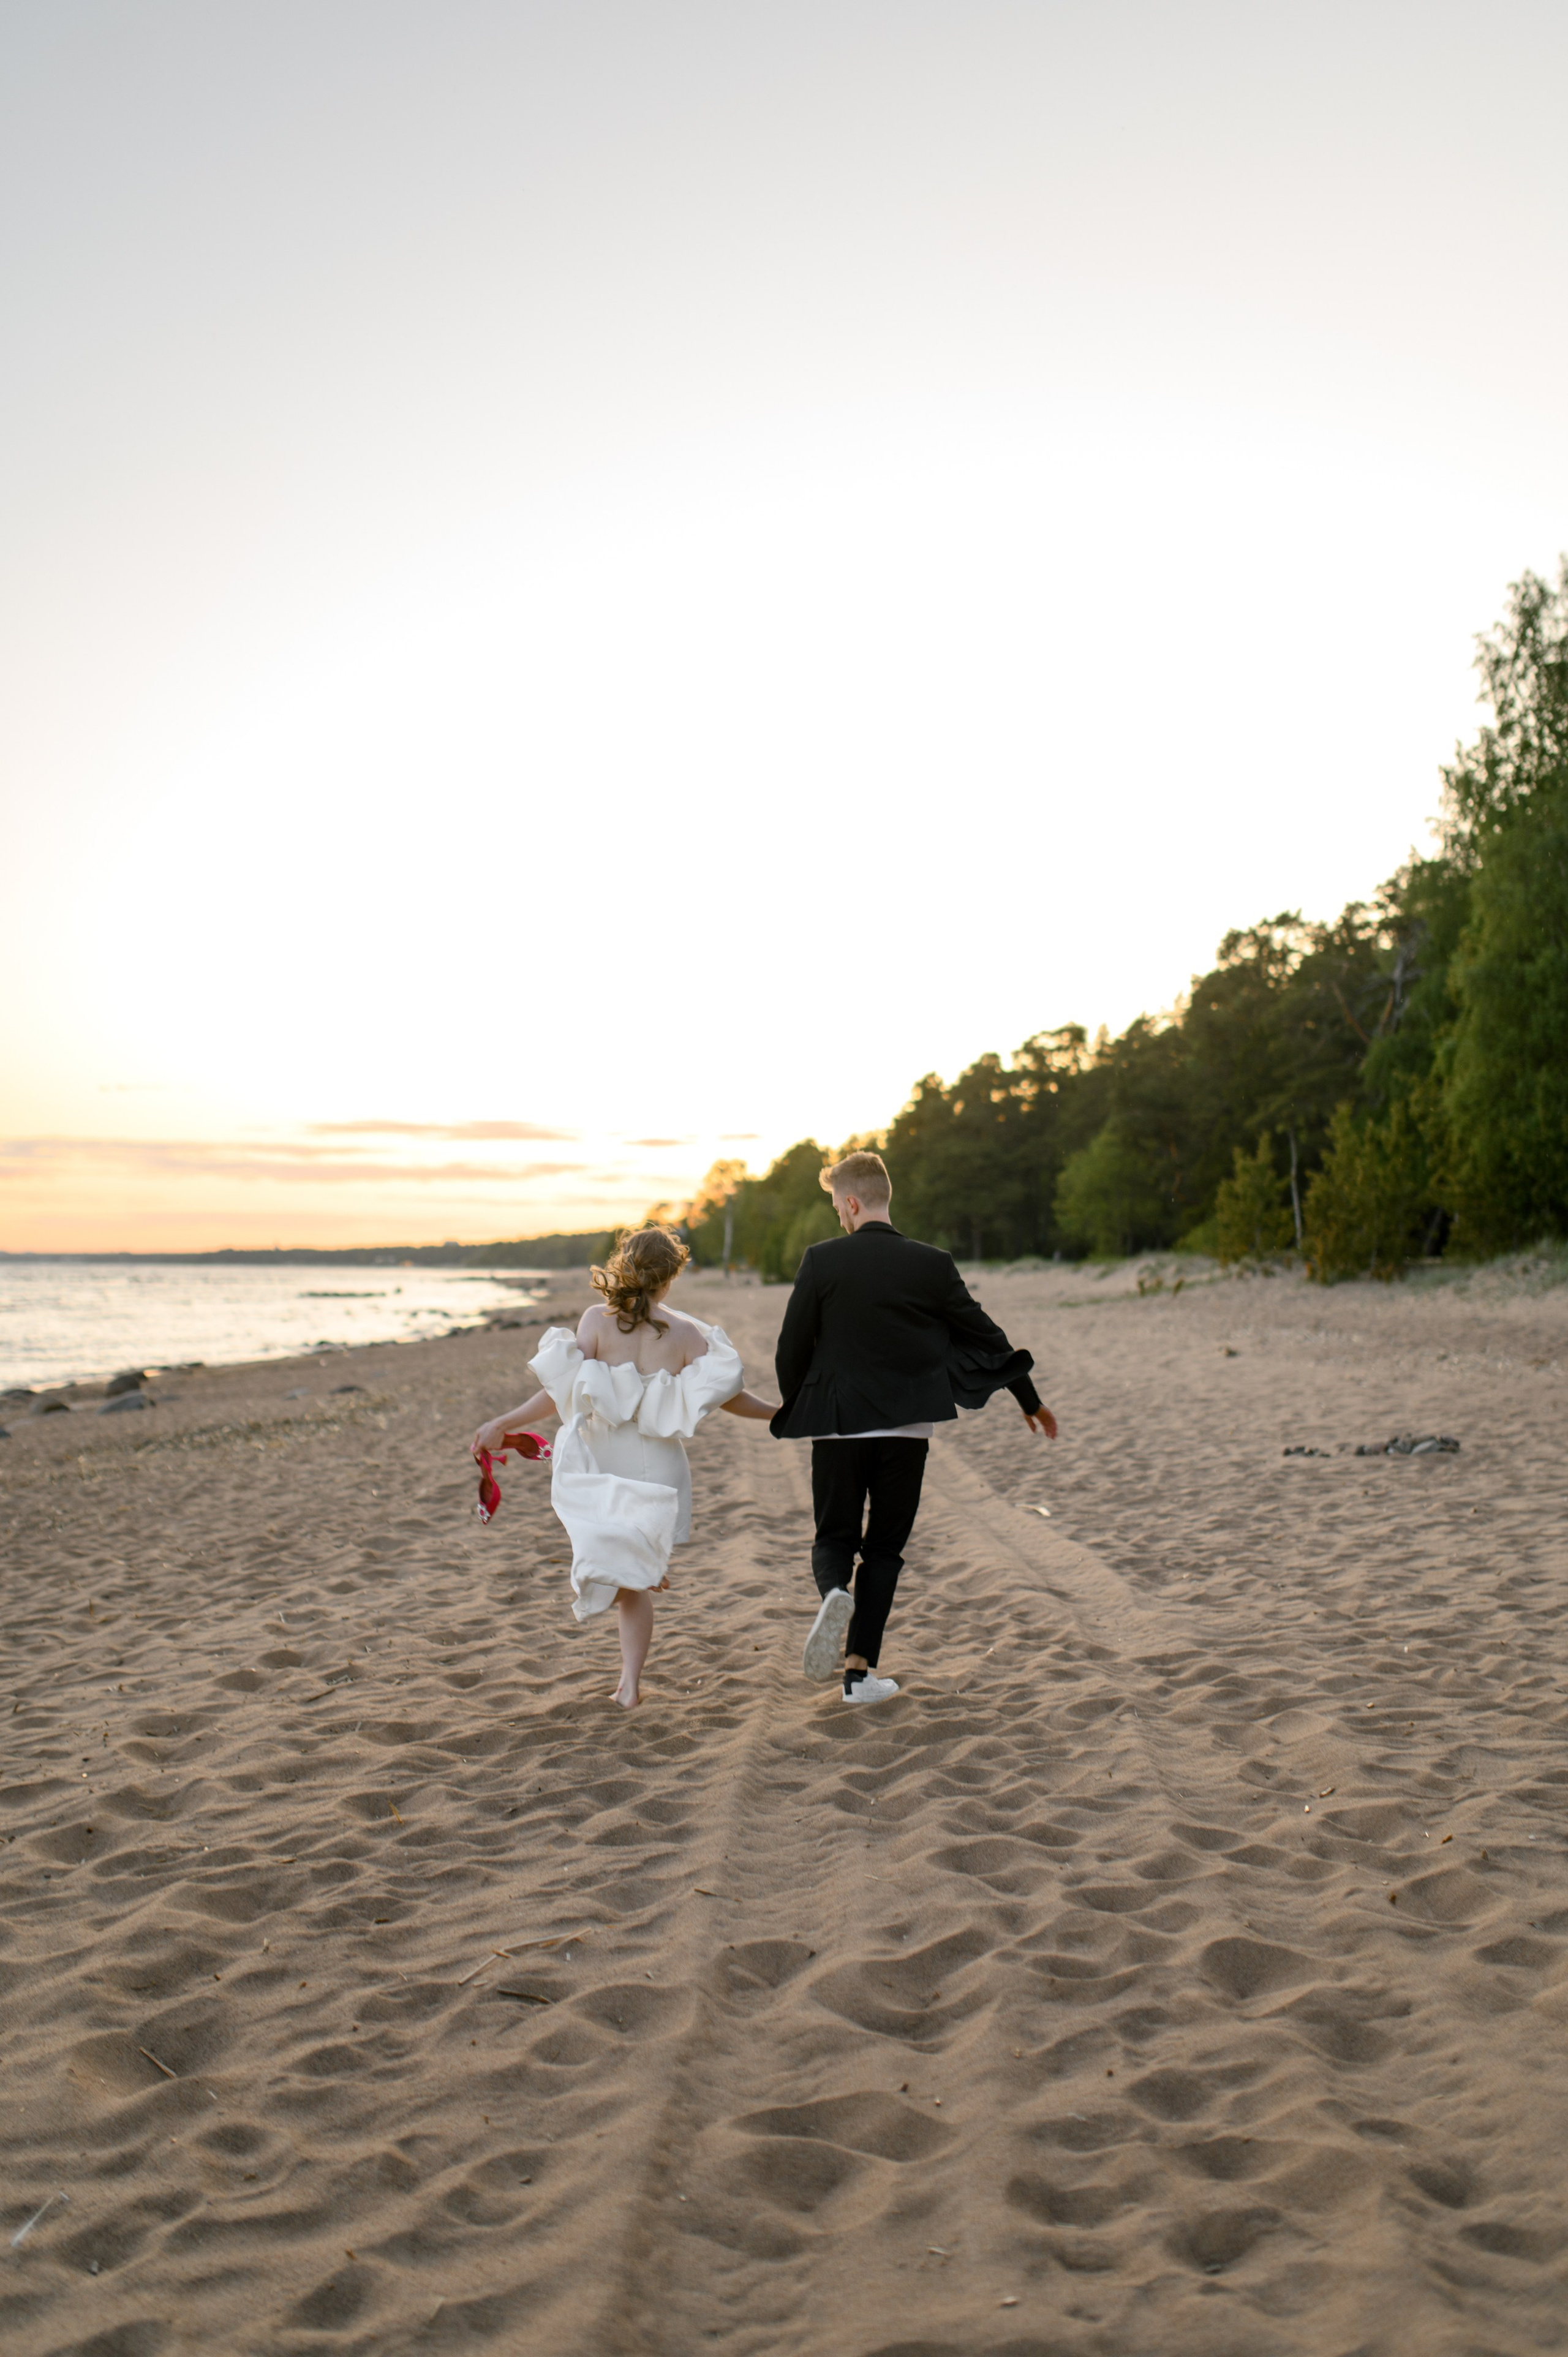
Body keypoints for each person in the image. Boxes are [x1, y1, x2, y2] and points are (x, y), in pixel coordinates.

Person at [771, 1151, 1055, 1704]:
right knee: (884, 1549)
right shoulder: (932, 1263)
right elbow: (988, 1336)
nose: (839, 1217)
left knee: (834, 1537)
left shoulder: (821, 1260)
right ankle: (859, 1676)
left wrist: (803, 1404)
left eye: (838, 1208)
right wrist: (1029, 1399)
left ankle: (834, 1594)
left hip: (839, 1427)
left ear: (852, 1203)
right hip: (907, 1431)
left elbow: (791, 1349)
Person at [472, 1226, 777, 1707]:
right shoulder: (685, 1334)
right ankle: (630, 1678)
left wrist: (503, 1422)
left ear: (624, 1265)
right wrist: (778, 1414)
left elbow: (559, 1391)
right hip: (658, 1466)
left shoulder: (597, 1320)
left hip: (603, 1463)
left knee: (617, 1576)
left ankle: (633, 1656)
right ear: (669, 1277)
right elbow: (728, 1396)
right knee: (625, 1580)